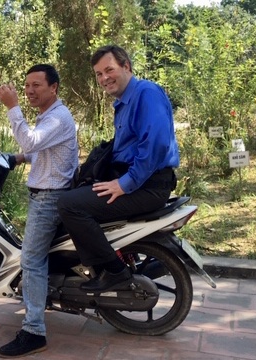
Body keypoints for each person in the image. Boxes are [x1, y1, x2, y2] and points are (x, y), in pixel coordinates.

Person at [57, 45, 179, 292]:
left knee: (69, 205)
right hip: (139, 181)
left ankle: (112, 271)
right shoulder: (124, 103)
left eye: (109, 70)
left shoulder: (146, 93)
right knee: (74, 196)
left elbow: (155, 145)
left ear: (126, 66)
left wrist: (125, 184)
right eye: (99, 74)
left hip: (147, 185)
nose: (104, 78)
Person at [0, 64, 78, 358]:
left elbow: (31, 139)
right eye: (27, 85)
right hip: (48, 195)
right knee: (37, 257)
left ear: (53, 88)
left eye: (36, 86)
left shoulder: (58, 117)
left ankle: (33, 331)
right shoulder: (50, 117)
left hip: (49, 200)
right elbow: (38, 148)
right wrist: (17, 158)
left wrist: (12, 107)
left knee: (31, 261)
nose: (30, 90)